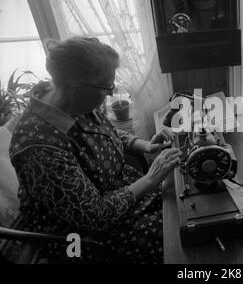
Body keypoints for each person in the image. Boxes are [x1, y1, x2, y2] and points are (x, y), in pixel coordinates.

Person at [9, 37, 182, 263]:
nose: (110, 94)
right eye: (107, 87)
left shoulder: (73, 101)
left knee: (180, 202)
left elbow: (108, 132)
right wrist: (150, 179)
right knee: (177, 236)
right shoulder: (37, 145)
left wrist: (145, 145)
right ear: (76, 87)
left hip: (123, 194)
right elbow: (95, 215)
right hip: (84, 233)